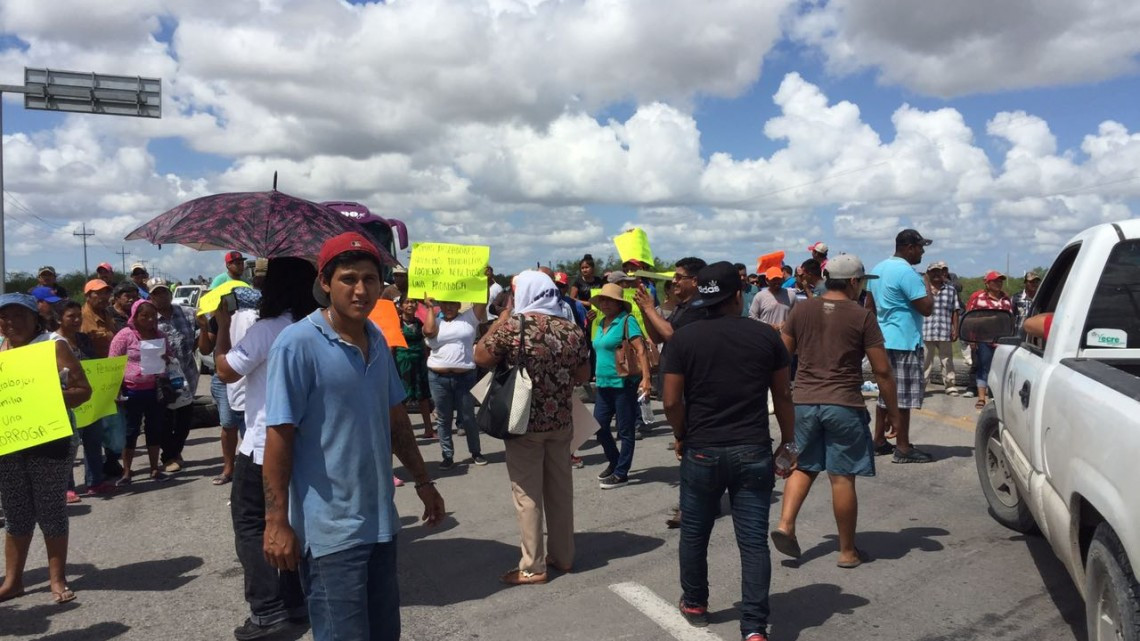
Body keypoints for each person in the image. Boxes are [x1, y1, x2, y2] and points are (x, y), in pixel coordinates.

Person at [261, 232, 445, 641]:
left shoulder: (376, 338)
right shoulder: (297, 344)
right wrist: (276, 521)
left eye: (370, 278)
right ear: (324, 283)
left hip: (381, 524)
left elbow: (396, 419)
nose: (360, 289)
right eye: (348, 278)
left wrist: (424, 481)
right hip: (330, 535)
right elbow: (278, 438)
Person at [662, 262, 794, 641]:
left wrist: (681, 434)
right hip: (752, 449)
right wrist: (788, 440)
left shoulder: (683, 340)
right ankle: (753, 627)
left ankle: (696, 603)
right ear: (738, 294)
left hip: (701, 449)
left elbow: (671, 400)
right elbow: (783, 393)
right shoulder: (765, 337)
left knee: (695, 531)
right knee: (752, 541)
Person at [772, 254, 900, 569]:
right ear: (854, 282)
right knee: (842, 477)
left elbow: (781, 356)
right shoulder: (862, 316)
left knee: (803, 466)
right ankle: (847, 551)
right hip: (843, 403)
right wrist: (893, 413)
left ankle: (785, 525)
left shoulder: (801, 310)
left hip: (804, 402)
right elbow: (882, 371)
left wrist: (784, 396)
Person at [213, 257, 316, 640]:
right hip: (302, 443)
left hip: (260, 445)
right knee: (288, 521)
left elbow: (226, 371)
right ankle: (294, 599)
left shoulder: (268, 329)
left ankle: (267, 609)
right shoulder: (316, 326)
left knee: (251, 524)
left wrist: (223, 327)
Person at [475, 271, 591, 585]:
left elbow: (481, 355)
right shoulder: (571, 329)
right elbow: (583, 374)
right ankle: (563, 556)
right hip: (561, 422)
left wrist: (502, 319)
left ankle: (533, 566)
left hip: (522, 422)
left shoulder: (515, 326)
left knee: (527, 495)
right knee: (560, 491)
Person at [0, 293, 92, 605]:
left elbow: (83, 391)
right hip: (10, 441)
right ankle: (12, 581)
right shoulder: (1, 349)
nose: (10, 322)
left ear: (35, 318)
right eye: (4, 316)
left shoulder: (53, 345)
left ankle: (57, 578)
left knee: (50, 508)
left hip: (50, 440)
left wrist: (48, 393)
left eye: (18, 315)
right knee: (15, 511)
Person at [634, 258, 706, 527]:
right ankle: (695, 502)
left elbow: (675, 337)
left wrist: (651, 308)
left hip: (690, 387)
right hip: (676, 382)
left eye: (678, 277)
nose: (673, 281)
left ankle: (691, 507)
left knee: (689, 444)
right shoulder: (682, 307)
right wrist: (644, 311)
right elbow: (658, 336)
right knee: (689, 447)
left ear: (695, 281)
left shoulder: (698, 308)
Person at [865, 229, 935, 464]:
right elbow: (926, 308)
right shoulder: (907, 273)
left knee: (886, 393)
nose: (922, 252)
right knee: (902, 397)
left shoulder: (878, 269)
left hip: (883, 340)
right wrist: (926, 283)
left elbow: (869, 306)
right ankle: (903, 447)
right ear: (908, 247)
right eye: (920, 247)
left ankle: (878, 441)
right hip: (904, 341)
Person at [589, 283, 651, 489]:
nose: (605, 303)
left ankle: (621, 472)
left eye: (609, 300)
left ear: (618, 303)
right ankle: (616, 462)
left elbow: (641, 350)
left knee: (625, 431)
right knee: (599, 427)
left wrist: (646, 379)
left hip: (623, 383)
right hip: (603, 384)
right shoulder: (600, 323)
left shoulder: (627, 321)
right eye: (602, 300)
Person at [109, 299, 173, 484]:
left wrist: (165, 358)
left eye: (153, 316)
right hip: (131, 392)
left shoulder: (159, 335)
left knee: (154, 430)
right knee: (130, 432)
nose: (149, 320)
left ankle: (154, 469)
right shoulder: (124, 336)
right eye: (144, 316)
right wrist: (116, 389)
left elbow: (170, 356)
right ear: (135, 316)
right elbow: (113, 361)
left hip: (155, 390)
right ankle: (127, 472)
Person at [51, 301, 109, 499]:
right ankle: (67, 488)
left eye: (78, 315)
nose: (76, 320)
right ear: (59, 318)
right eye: (71, 316)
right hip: (67, 400)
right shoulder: (52, 343)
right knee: (70, 445)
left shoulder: (84, 339)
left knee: (94, 440)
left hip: (90, 398)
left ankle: (95, 481)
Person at [423, 295, 488, 469]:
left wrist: (482, 282)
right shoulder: (434, 320)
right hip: (438, 378)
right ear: (440, 305)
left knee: (468, 417)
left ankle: (475, 452)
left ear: (459, 304)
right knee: (443, 419)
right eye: (445, 303)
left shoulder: (468, 318)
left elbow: (482, 300)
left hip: (464, 377)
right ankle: (447, 456)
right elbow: (428, 332)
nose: (449, 307)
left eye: (452, 303)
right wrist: (430, 308)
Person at [149, 278, 198, 474]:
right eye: (156, 293)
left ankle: (175, 451)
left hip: (188, 375)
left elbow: (198, 335)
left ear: (170, 293)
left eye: (164, 292)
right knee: (166, 420)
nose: (161, 296)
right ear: (151, 296)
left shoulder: (187, 313)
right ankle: (169, 456)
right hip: (163, 379)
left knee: (185, 420)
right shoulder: (149, 317)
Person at [81, 279, 125, 479]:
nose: (103, 297)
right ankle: (95, 472)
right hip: (91, 379)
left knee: (115, 428)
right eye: (98, 293)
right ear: (88, 296)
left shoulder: (108, 315)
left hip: (111, 376)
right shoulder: (81, 319)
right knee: (94, 430)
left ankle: (110, 461)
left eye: (106, 292)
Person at [966, 271, 1013, 410]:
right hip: (983, 339)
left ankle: (995, 397)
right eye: (995, 281)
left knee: (999, 369)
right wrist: (971, 338)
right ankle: (981, 398)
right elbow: (970, 319)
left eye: (1000, 281)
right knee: (983, 367)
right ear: (988, 283)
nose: (999, 283)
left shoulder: (1006, 299)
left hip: (1002, 340)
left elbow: (1010, 320)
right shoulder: (978, 299)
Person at [394, 297, 435, 439]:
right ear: (400, 305)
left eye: (413, 302)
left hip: (419, 363)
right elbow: (391, 346)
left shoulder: (419, 322)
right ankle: (403, 432)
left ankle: (429, 429)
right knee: (402, 398)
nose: (410, 305)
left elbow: (424, 343)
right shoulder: (396, 323)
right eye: (407, 302)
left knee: (423, 396)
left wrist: (426, 359)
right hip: (402, 363)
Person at [921, 263, 960, 396]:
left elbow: (955, 311)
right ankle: (921, 386)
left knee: (947, 360)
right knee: (925, 360)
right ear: (928, 274)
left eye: (939, 271)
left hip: (944, 330)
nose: (937, 274)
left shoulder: (951, 290)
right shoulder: (922, 290)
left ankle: (950, 385)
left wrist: (956, 328)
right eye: (933, 272)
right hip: (926, 330)